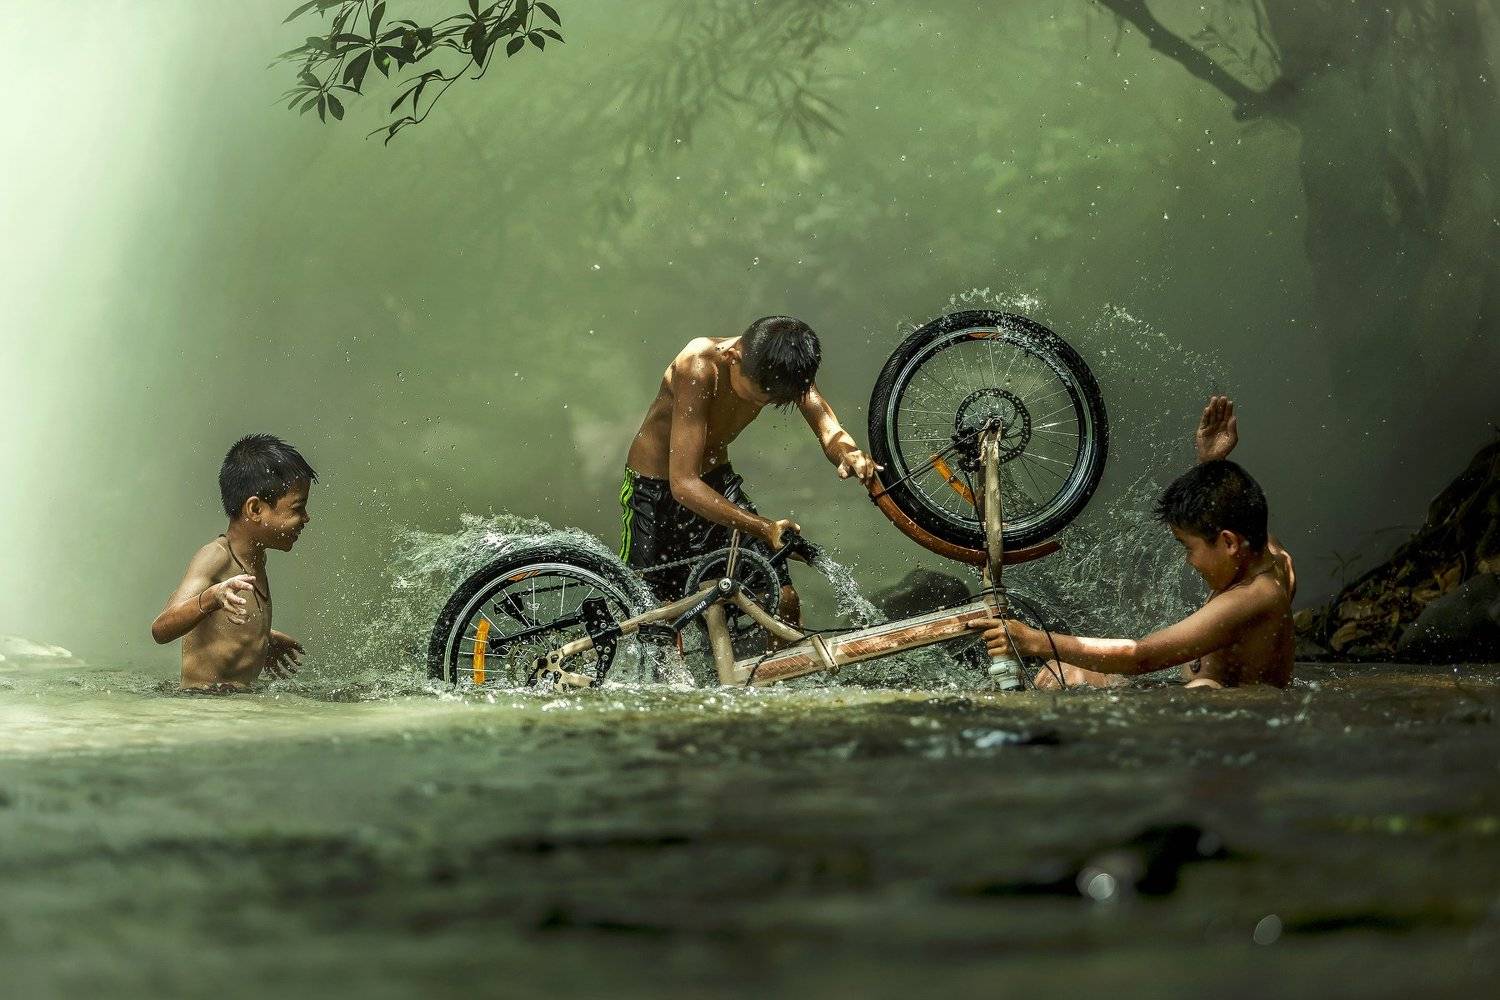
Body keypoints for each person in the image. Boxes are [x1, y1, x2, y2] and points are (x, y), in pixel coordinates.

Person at [969, 396, 1296, 689]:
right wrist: (1212, 466)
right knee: (1062, 673)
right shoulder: (1271, 558)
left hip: (1214, 708)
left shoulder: (1251, 598)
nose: (1189, 561)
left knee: (1201, 687)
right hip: (1182, 685)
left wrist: (1034, 641)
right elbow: (1243, 512)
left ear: (1228, 543)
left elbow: (1142, 656)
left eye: (1189, 548)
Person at [618, 316, 881, 620]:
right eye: (758, 396)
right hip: (656, 490)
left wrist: (849, 454)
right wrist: (764, 528)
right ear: (734, 357)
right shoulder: (698, 365)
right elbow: (684, 484)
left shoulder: (784, 366)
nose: (764, 402)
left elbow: (828, 429)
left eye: (772, 400)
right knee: (655, 616)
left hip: (716, 481)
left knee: (782, 598)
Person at [151, 434, 316, 690]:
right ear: (255, 509)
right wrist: (211, 597)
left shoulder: (256, 558)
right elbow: (161, 629)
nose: (306, 518)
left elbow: (217, 630)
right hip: (201, 704)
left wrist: (260, 638)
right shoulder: (215, 557)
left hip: (231, 703)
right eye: (297, 509)